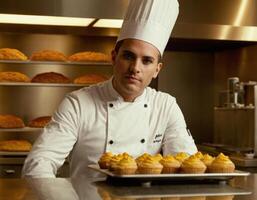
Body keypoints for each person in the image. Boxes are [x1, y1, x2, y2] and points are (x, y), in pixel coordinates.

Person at [22, 0, 197, 178]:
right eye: (128, 56)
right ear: (114, 57)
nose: (135, 68)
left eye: (146, 61)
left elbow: (187, 163)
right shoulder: (78, 103)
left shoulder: (165, 106)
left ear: (157, 70)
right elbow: (40, 162)